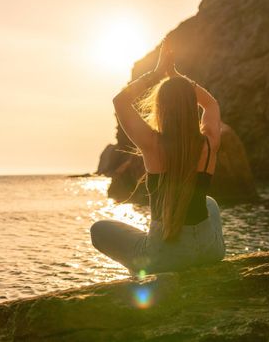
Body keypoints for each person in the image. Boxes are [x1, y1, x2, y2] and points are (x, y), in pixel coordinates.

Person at [90, 38, 225, 275]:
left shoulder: (152, 144)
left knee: (99, 229)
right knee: (209, 202)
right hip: (210, 251)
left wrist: (156, 74)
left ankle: (141, 271)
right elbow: (211, 104)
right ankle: (191, 252)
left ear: (161, 108)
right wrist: (178, 78)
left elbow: (120, 101)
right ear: (190, 105)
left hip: (167, 256)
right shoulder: (209, 142)